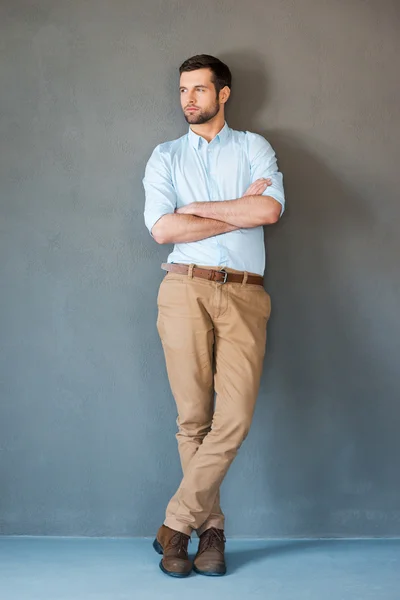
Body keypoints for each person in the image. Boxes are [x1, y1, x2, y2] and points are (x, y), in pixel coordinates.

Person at [142, 54, 285, 578]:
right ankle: (210, 534)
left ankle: (174, 524)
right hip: (182, 290)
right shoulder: (164, 156)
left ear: (222, 94)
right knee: (192, 421)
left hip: (246, 295)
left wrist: (195, 212)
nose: (189, 100)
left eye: (200, 90)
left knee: (234, 418)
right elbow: (162, 230)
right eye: (183, 90)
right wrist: (231, 210)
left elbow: (267, 212)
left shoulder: (254, 148)